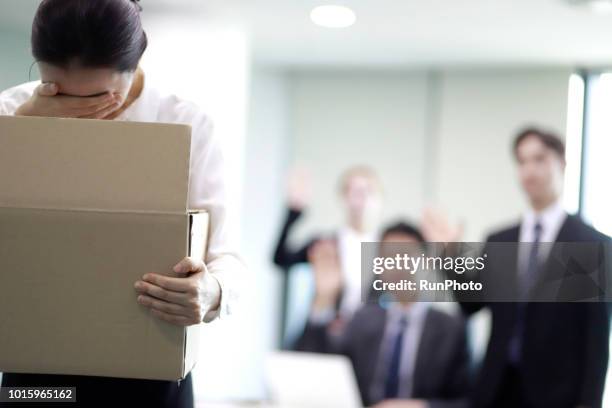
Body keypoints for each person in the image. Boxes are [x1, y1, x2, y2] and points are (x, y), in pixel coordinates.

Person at [0, 1, 245, 407]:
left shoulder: (185, 122)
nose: (80, 111)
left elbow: (229, 256)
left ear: (137, 62)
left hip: (152, 378)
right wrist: (25, 129)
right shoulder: (9, 112)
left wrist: (211, 290)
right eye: (56, 92)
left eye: (98, 98)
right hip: (39, 379)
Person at [423, 127, 610, 408]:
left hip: (557, 394)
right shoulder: (501, 240)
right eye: (522, 162)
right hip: (496, 389)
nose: (529, 171)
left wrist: (588, 403)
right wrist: (449, 255)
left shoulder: (590, 244)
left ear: (562, 162)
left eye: (539, 159)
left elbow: (596, 337)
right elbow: (471, 304)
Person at [297, 222, 471, 408]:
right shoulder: (362, 320)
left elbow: (468, 401)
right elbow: (319, 371)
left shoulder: (450, 329)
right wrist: (323, 302)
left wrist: (422, 406)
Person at [273, 166, 383, 344]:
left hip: (371, 344)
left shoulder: (388, 250)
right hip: (326, 338)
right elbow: (280, 259)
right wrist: (293, 212)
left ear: (380, 198)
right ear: (343, 197)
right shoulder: (325, 244)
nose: (362, 198)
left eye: (369, 190)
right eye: (354, 190)